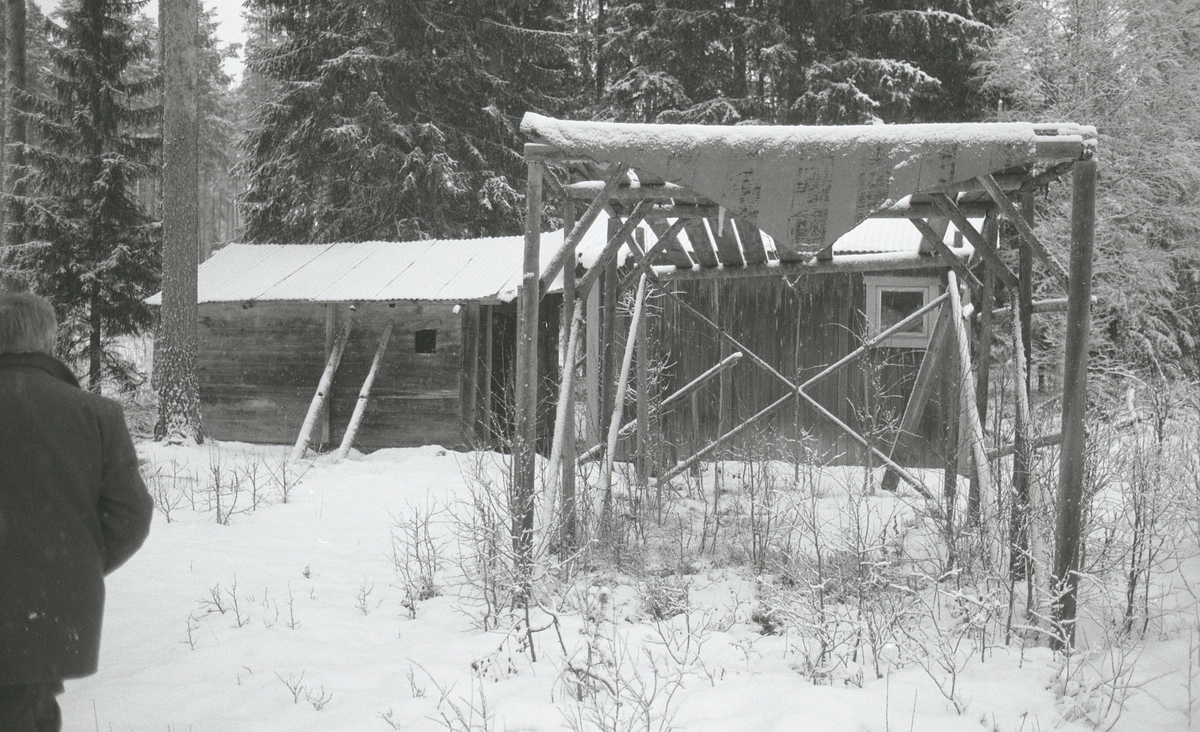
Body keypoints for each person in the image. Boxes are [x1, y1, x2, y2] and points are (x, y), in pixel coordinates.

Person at [0, 292, 153, 732]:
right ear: (47, 341)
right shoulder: (96, 416)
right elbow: (130, 515)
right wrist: (70, 567)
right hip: (48, 615)